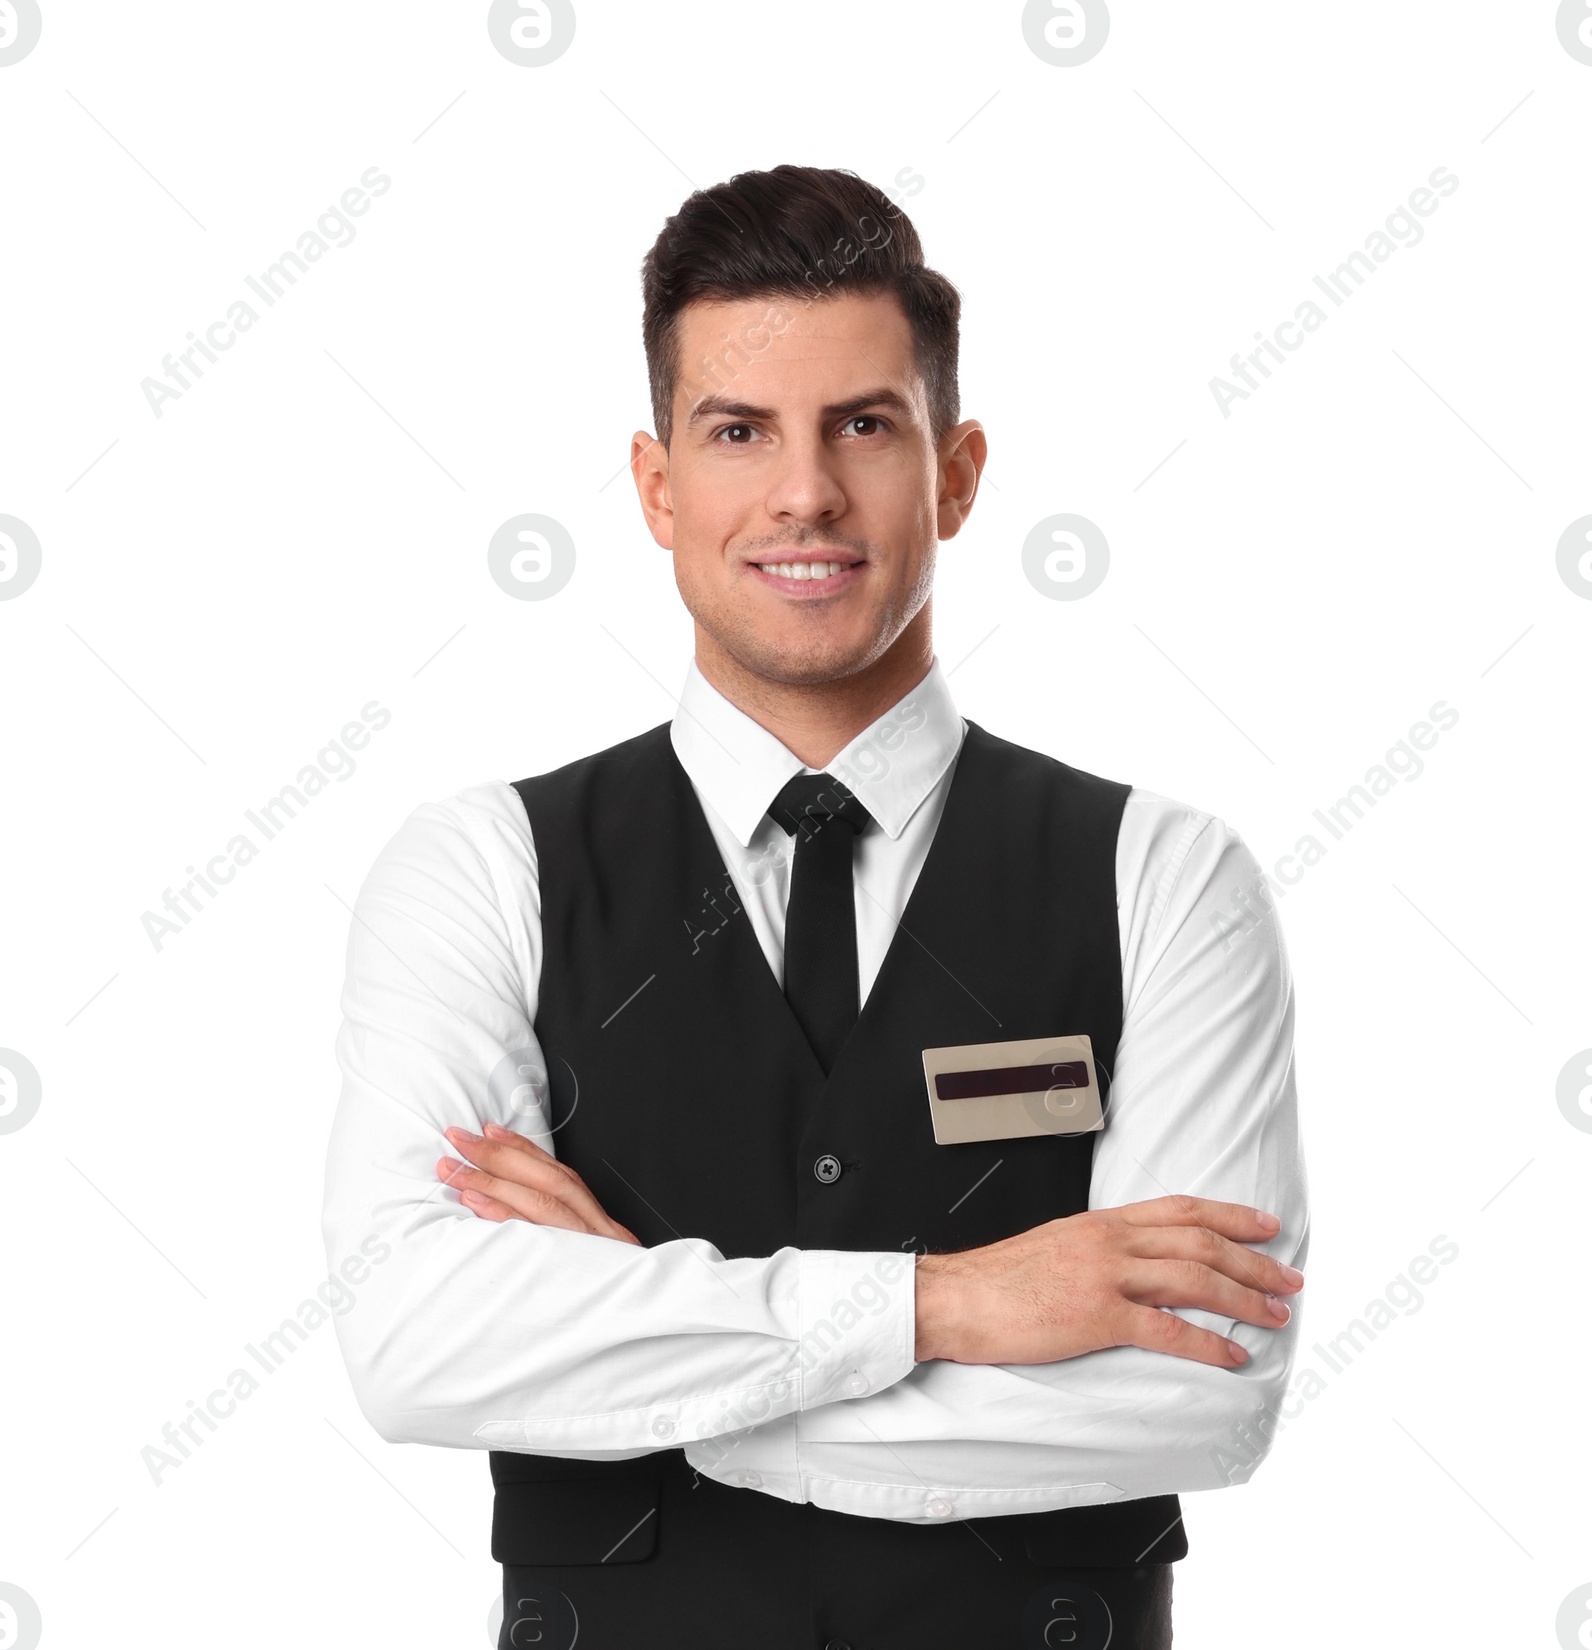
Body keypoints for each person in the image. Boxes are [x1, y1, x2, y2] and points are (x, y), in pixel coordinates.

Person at [321, 163, 1309, 1650]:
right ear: (659, 488)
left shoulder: (1166, 880)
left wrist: (651, 1379)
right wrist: (946, 1304)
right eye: (737, 431)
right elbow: (415, 1343)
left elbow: (1196, 1389)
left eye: (864, 423)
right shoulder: (477, 870)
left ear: (957, 473)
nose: (805, 493)